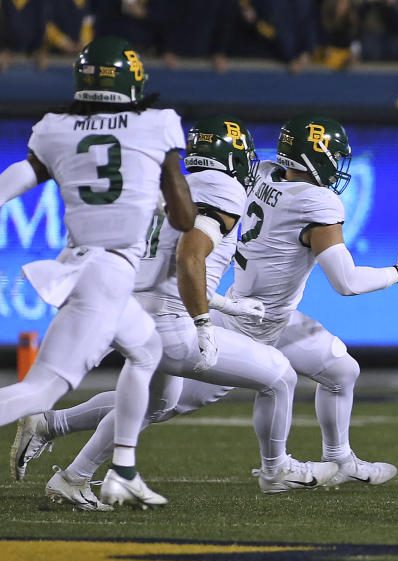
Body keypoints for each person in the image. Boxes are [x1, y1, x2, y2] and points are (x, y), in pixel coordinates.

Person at [12, 116, 340, 508]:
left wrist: (223, 304)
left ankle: (71, 475)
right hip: (170, 324)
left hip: (135, 313)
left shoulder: (171, 188)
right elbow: (189, 260)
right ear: (231, 156)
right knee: (280, 375)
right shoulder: (224, 191)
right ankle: (277, 470)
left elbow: (169, 267)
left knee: (157, 404)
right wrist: (203, 323)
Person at [0, 36, 196, 507]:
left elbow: (20, 176)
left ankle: (123, 469)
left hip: (87, 266)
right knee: (40, 389)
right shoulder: (157, 124)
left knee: (147, 349)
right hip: (107, 273)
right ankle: (117, 469)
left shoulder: (57, 129)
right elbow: (185, 218)